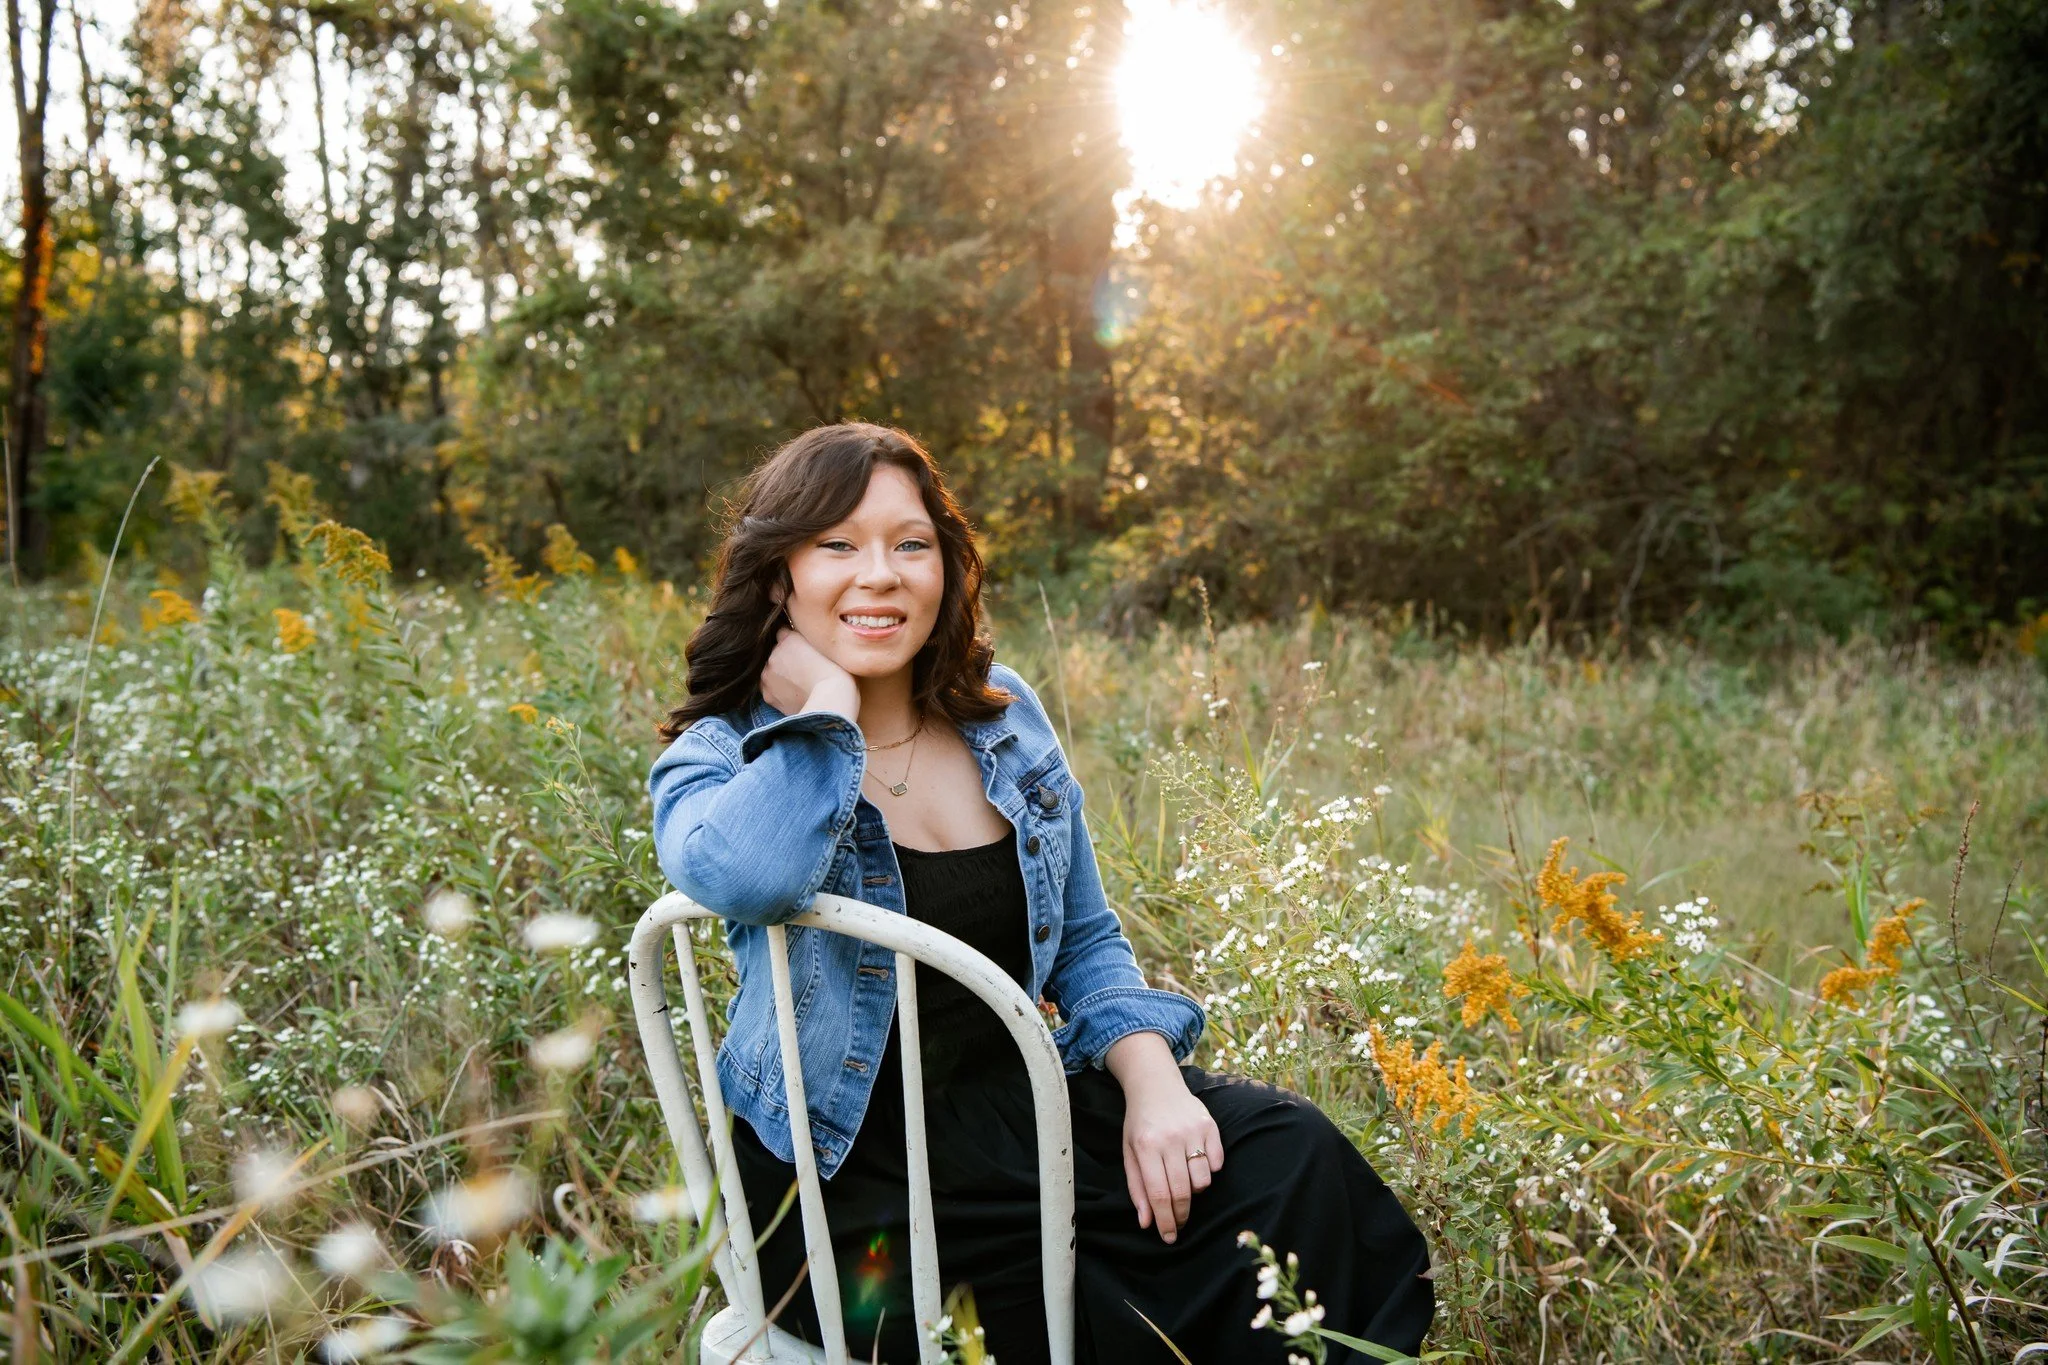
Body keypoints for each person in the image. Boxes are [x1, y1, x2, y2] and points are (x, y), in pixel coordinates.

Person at [648, 422, 1435, 1364]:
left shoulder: (1001, 714)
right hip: (851, 1175)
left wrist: (1153, 1087)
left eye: (911, 542)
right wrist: (825, 710)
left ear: (945, 564)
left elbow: (1088, 938)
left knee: (1289, 1159)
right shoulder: (723, 753)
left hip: (1028, 1109)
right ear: (779, 574)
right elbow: (751, 876)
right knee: (1060, 1314)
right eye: (837, 545)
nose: (882, 573)